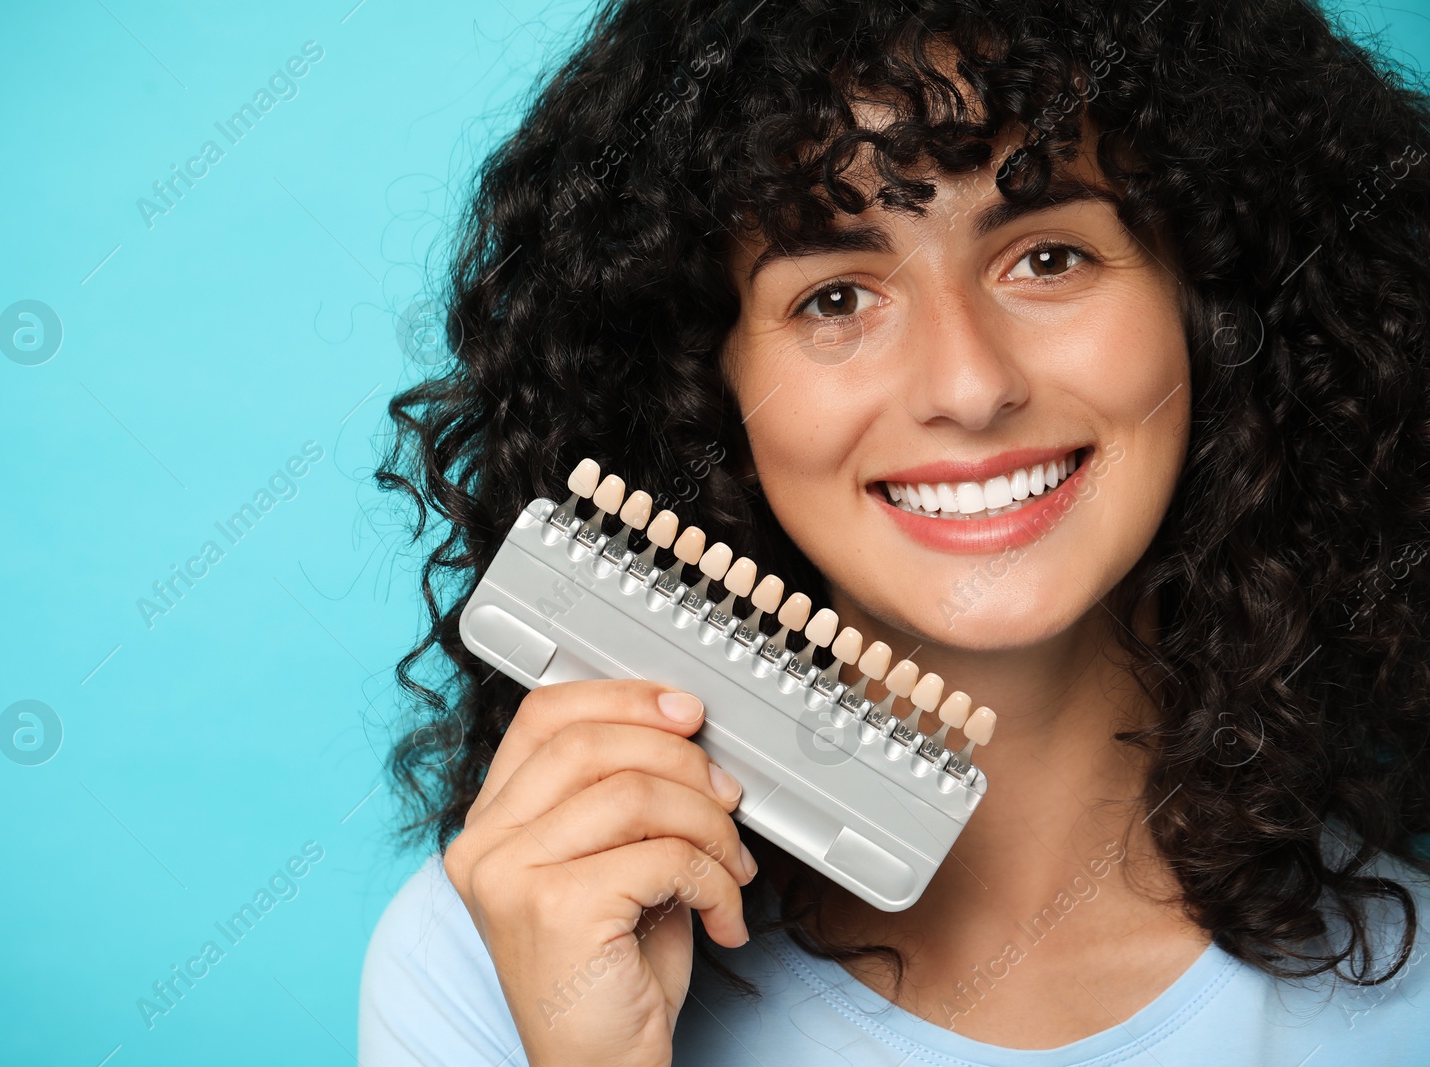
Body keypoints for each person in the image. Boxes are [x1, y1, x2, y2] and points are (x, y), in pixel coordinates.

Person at [360, 1, 1430, 1063]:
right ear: (702, 384)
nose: (967, 385)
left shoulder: (1406, 991)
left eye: (1047, 257)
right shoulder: (496, 964)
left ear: (1213, 310)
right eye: (834, 296)